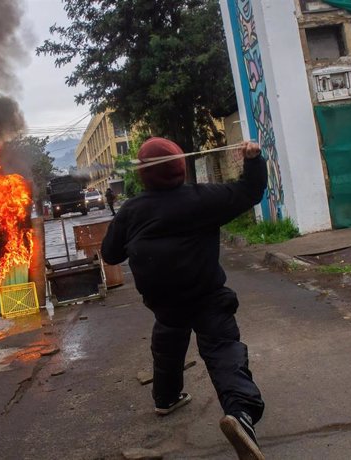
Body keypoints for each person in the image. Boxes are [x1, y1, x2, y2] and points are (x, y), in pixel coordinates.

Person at [101, 137, 267, 460]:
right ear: (180, 166)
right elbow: (250, 191)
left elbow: (110, 254)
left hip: (164, 301)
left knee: (167, 342)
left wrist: (130, 229)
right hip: (206, 295)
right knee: (222, 348)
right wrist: (253, 159)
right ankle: (241, 415)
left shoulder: (131, 210)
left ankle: (166, 398)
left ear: (144, 174)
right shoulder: (202, 198)